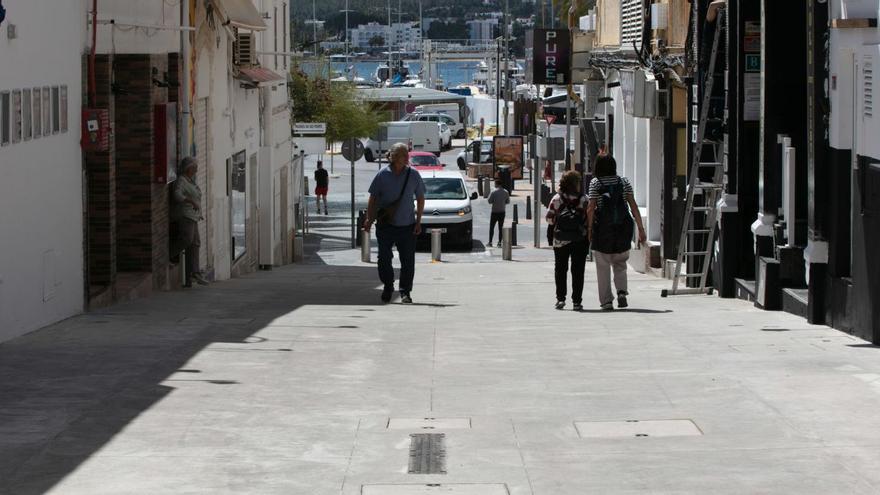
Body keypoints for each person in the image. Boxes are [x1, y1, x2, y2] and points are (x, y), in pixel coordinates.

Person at [363, 142, 426, 304]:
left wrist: (418, 221)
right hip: (386, 225)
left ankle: (405, 292)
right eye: (404, 154)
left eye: (407, 154)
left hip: (407, 226)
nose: (407, 157)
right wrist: (370, 219)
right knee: (384, 258)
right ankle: (388, 286)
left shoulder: (413, 175)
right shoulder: (382, 175)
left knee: (407, 261)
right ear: (395, 157)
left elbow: (420, 198)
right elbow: (373, 198)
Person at [587, 154, 647, 310]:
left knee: (603, 265)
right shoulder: (624, 182)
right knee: (620, 263)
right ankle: (621, 292)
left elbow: (591, 208)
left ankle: (606, 301)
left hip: (603, 230)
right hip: (623, 229)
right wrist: (641, 229)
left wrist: (589, 230)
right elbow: (633, 206)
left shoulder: (595, 183)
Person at [546, 170, 589, 311]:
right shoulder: (584, 199)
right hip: (579, 240)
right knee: (578, 270)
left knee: (560, 269)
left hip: (560, 240)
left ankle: (560, 299)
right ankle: (577, 301)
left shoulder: (557, 199)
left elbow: (549, 219)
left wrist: (560, 220)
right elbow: (588, 219)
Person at [171, 157, 208, 288]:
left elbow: (197, 197)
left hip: (194, 216)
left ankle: (194, 273)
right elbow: (177, 195)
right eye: (195, 166)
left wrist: (200, 213)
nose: (197, 169)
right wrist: (190, 201)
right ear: (189, 168)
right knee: (187, 239)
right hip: (185, 216)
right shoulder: (181, 180)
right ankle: (169, 255)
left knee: (195, 244)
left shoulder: (191, 181)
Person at [487, 179, 510, 247]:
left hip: (494, 212)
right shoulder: (506, 192)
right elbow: (508, 201)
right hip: (502, 212)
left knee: (492, 227)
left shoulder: (493, 192)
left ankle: (490, 242)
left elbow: (489, 201)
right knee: (500, 227)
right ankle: (499, 242)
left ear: (496, 184)